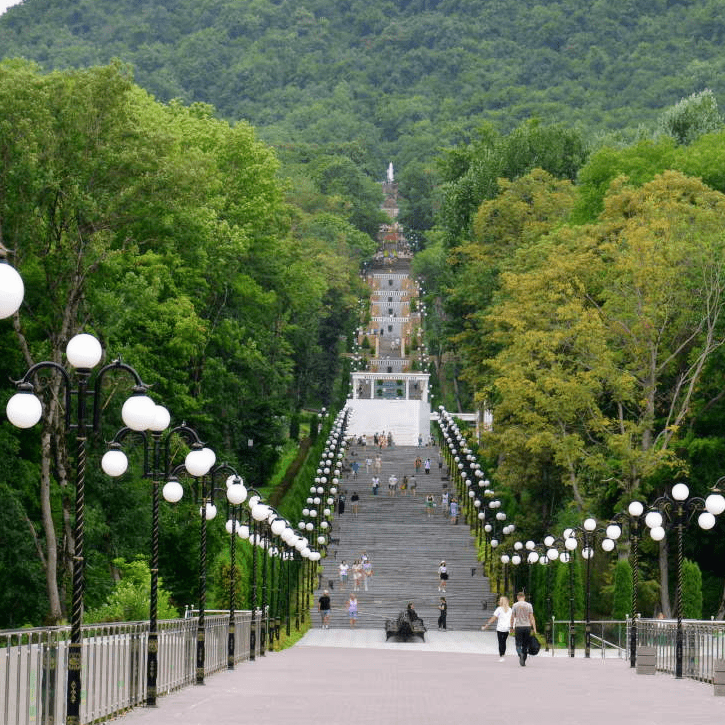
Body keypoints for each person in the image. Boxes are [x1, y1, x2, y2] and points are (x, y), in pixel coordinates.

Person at [511, 591, 537, 666]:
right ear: (524, 597)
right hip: (527, 626)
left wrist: (511, 627)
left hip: (518, 626)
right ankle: (523, 661)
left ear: (517, 597)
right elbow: (531, 617)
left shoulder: (515, 605)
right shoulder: (529, 605)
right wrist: (534, 628)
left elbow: (512, 617)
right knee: (525, 644)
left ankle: (520, 654)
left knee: (518, 644)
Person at [483, 595, 512, 661]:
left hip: (500, 628)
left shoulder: (499, 609)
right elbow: (512, 619)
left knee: (500, 642)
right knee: (504, 641)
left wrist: (487, 625)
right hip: (507, 628)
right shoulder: (510, 610)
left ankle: (501, 655)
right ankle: (503, 654)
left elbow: (494, 618)